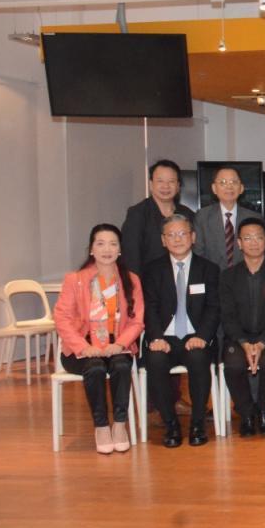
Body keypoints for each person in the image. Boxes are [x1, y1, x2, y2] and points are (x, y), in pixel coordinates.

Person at [53, 224, 145, 454]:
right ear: (91, 249)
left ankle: (120, 425)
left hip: (118, 345)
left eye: (113, 244)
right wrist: (83, 347)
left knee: (121, 365)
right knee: (94, 368)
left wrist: (120, 344)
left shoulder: (131, 280)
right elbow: (62, 319)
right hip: (82, 349)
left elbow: (137, 321)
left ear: (120, 249)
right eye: (100, 243)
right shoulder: (75, 280)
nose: (107, 249)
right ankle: (101, 426)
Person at [141, 215, 221, 447]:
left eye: (182, 233)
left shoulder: (209, 269)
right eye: (171, 235)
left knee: (198, 358)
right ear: (163, 240)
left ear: (193, 237)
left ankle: (197, 423)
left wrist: (202, 336)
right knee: (155, 361)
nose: (177, 239)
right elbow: (149, 307)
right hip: (164, 337)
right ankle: (171, 424)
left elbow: (214, 307)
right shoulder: (152, 270)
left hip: (196, 336)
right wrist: (156, 337)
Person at [219, 217, 265, 437]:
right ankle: (246, 413)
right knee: (233, 364)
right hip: (238, 337)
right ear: (239, 243)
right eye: (248, 238)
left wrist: (261, 343)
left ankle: (264, 410)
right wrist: (244, 343)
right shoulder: (228, 276)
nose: (253, 242)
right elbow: (228, 316)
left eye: (258, 237)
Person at [120, 159, 195, 275]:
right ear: (151, 184)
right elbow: (131, 257)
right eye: (160, 181)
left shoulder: (188, 214)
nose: (166, 186)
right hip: (148, 281)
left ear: (178, 186)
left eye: (171, 181)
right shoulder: (137, 214)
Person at [194, 166, 260, 270]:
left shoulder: (254, 218)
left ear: (241, 188)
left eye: (234, 182)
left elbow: (258, 253)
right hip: (212, 276)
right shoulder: (202, 216)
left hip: (244, 276)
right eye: (223, 182)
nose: (229, 186)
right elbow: (198, 253)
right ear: (214, 188)